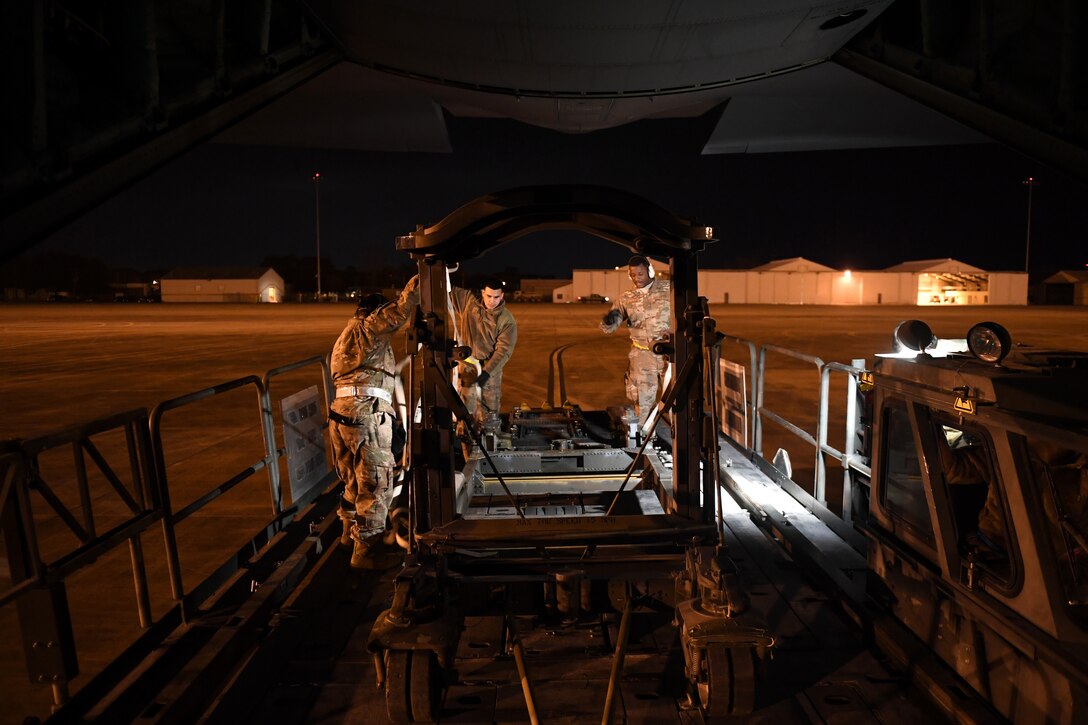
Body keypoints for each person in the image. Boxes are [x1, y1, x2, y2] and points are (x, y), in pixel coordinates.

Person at [329, 275, 419, 569]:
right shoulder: (369, 327)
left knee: (352, 481)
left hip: (341, 415)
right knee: (376, 484)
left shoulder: (346, 334)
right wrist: (415, 286)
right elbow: (399, 312)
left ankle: (347, 536)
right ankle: (365, 554)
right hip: (366, 415)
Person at [599, 255, 671, 429]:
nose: (636, 278)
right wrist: (609, 320)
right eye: (633, 275)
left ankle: (679, 438)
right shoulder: (626, 298)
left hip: (670, 355)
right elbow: (609, 328)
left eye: (640, 273)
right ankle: (646, 439)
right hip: (642, 356)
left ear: (650, 271)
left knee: (676, 399)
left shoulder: (669, 289)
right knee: (643, 400)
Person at [449, 277, 518, 445]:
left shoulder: (506, 320)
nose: (491, 301)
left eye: (496, 297)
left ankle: (489, 450)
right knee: (466, 414)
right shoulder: (468, 303)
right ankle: (467, 449)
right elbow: (444, 287)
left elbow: (503, 351)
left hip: (489, 371)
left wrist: (487, 373)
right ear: (483, 293)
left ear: (502, 296)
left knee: (489, 416)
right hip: (467, 368)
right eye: (488, 296)